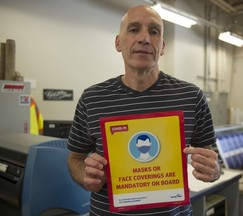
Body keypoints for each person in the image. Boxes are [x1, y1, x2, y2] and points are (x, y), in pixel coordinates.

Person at [67, 4, 220, 216]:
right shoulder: (92, 98)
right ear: (118, 42)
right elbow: (75, 158)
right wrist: (86, 174)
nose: (145, 38)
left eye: (154, 31)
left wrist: (213, 170)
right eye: (133, 29)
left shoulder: (191, 97)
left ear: (162, 46)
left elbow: (213, 158)